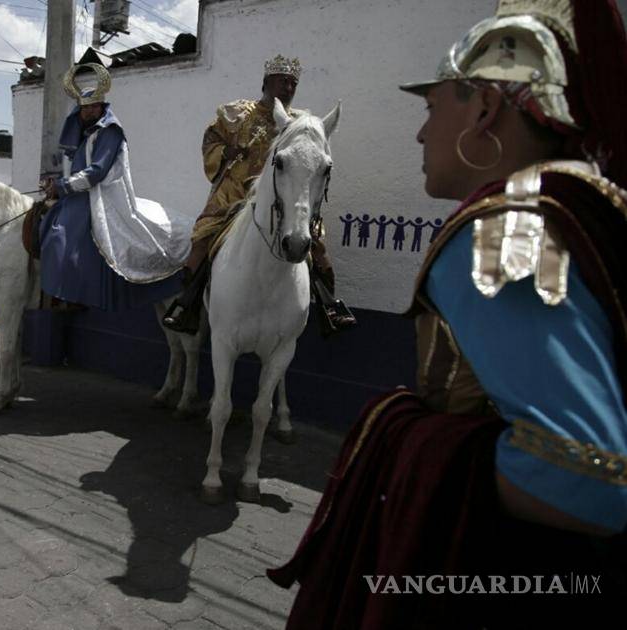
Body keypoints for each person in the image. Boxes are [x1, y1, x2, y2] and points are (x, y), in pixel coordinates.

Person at [269, 1, 627, 627]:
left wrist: (410, 445)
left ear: (484, 108)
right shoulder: (578, 210)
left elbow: (587, 478)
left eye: (432, 109)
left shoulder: (503, 234)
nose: (419, 132)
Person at [161, 56, 354, 336]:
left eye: (293, 83)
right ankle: (187, 306)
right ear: (266, 83)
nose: (288, 87)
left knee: (318, 246)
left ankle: (328, 305)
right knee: (202, 240)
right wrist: (222, 154)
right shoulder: (237, 113)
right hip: (234, 196)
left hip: (282, 201)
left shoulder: (301, 122)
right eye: (282, 81)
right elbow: (210, 139)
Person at [39, 63, 187, 311]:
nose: (88, 112)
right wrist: (57, 184)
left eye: (93, 107)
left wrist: (62, 187)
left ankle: (79, 293)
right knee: (46, 223)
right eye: (84, 108)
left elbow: (96, 172)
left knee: (60, 237)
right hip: (77, 195)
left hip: (100, 197)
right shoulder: (87, 134)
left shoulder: (109, 131)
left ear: (101, 107)